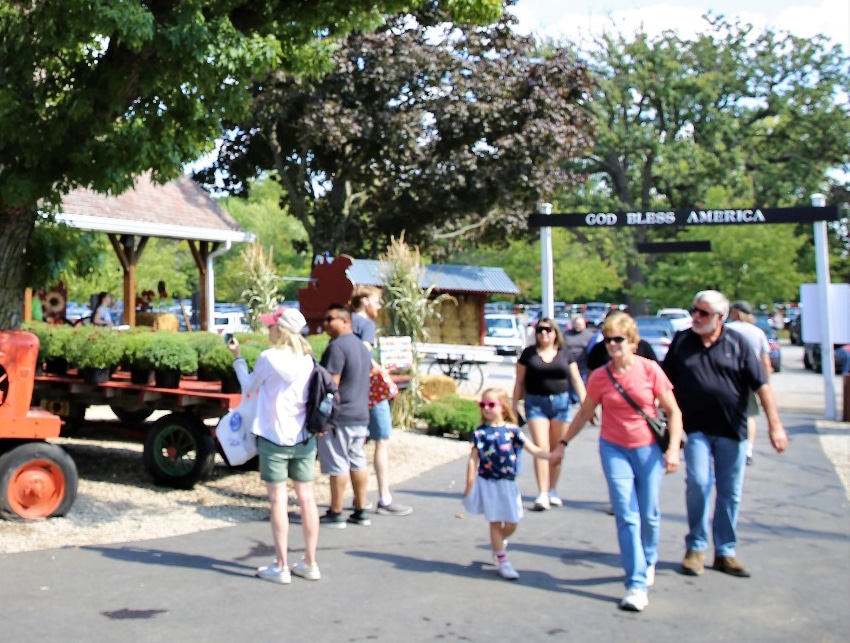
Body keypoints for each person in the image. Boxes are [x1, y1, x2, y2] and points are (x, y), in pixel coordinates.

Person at [551, 311, 683, 612]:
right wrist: (563, 443)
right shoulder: (600, 376)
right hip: (614, 448)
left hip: (647, 448)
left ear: (633, 342)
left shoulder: (650, 371)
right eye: (608, 340)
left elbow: (673, 412)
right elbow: (585, 413)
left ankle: (649, 558)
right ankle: (635, 583)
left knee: (648, 513)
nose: (612, 345)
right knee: (626, 513)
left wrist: (673, 449)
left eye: (618, 340)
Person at [663, 290, 788, 579]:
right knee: (699, 482)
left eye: (703, 313)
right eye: (694, 310)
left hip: (732, 429)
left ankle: (725, 551)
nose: (696, 316)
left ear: (720, 317)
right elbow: (664, 380)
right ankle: (695, 546)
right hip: (694, 429)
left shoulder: (738, 343)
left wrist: (775, 425)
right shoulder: (683, 341)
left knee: (730, 492)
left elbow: (762, 386)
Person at [228, 307, 322, 584]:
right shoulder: (308, 359)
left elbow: (248, 386)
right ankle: (310, 561)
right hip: (303, 437)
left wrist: (237, 358)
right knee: (307, 499)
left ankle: (281, 566)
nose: (268, 329)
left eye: (271, 325)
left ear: (280, 329)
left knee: (278, 500)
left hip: (273, 436)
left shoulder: (268, 358)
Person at [463, 388, 551, 580]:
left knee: (512, 521)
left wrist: (550, 455)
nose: (486, 408)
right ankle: (503, 559)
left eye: (491, 404)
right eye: (483, 405)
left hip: (508, 482)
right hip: (488, 481)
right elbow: (473, 459)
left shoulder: (512, 431)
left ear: (502, 407)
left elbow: (533, 449)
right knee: (494, 519)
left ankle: (499, 541)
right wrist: (469, 483)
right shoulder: (480, 433)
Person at [350, 285, 412, 516]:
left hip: (351, 392)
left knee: (354, 445)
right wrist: (380, 370)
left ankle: (359, 498)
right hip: (371, 391)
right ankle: (384, 496)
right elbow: (363, 355)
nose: (378, 306)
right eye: (376, 301)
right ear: (364, 300)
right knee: (381, 441)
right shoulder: (366, 325)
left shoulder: (345, 321)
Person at [512, 317, 587, 511]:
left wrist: (587, 405)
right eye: (540, 330)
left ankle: (553, 489)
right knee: (541, 446)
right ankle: (542, 492)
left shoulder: (564, 354)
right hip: (536, 402)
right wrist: (513, 406)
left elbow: (577, 380)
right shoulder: (529, 354)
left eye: (548, 330)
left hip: (561, 403)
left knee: (557, 448)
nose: (544, 333)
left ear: (555, 333)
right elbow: (519, 381)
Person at [317, 304, 373, 529]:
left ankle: (336, 511)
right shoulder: (361, 347)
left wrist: (321, 415)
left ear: (345, 321)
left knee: (338, 464)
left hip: (340, 416)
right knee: (357, 461)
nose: (326, 323)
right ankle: (361, 509)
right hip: (360, 414)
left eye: (330, 319)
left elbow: (331, 384)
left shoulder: (337, 347)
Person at [726, 300, 773, 466]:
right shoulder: (758, 332)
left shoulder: (728, 330)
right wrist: (765, 383)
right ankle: (748, 449)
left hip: (730, 375)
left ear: (737, 312)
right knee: (750, 414)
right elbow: (765, 361)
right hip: (752, 376)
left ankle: (730, 444)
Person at [563, 314, 596, 406]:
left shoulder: (590, 335)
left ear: (584, 324)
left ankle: (580, 401)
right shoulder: (566, 334)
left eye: (580, 324)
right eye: (576, 324)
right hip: (569, 364)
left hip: (583, 365)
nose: (578, 326)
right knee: (570, 384)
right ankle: (572, 401)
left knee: (582, 383)